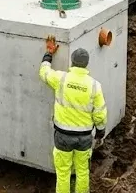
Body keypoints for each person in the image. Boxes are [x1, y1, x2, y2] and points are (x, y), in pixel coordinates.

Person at [39, 37, 107, 193]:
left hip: (63, 136)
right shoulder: (94, 86)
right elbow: (100, 113)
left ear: (72, 61)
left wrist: (48, 54)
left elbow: (44, 73)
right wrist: (100, 131)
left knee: (63, 173)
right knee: (82, 171)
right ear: (86, 64)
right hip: (84, 137)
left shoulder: (61, 79)